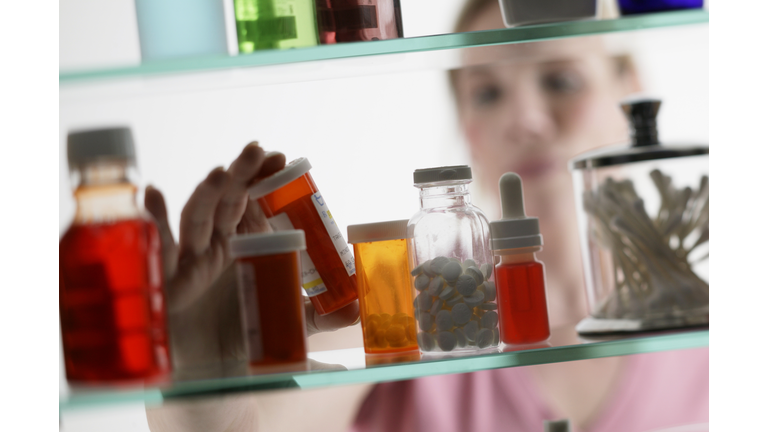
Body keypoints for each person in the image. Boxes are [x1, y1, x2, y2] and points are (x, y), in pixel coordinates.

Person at [146, 1, 708, 430]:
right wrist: (200, 378)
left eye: (560, 79)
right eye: (487, 93)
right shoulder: (411, 319)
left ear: (630, 91)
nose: (526, 120)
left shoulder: (714, 320)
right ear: (469, 129)